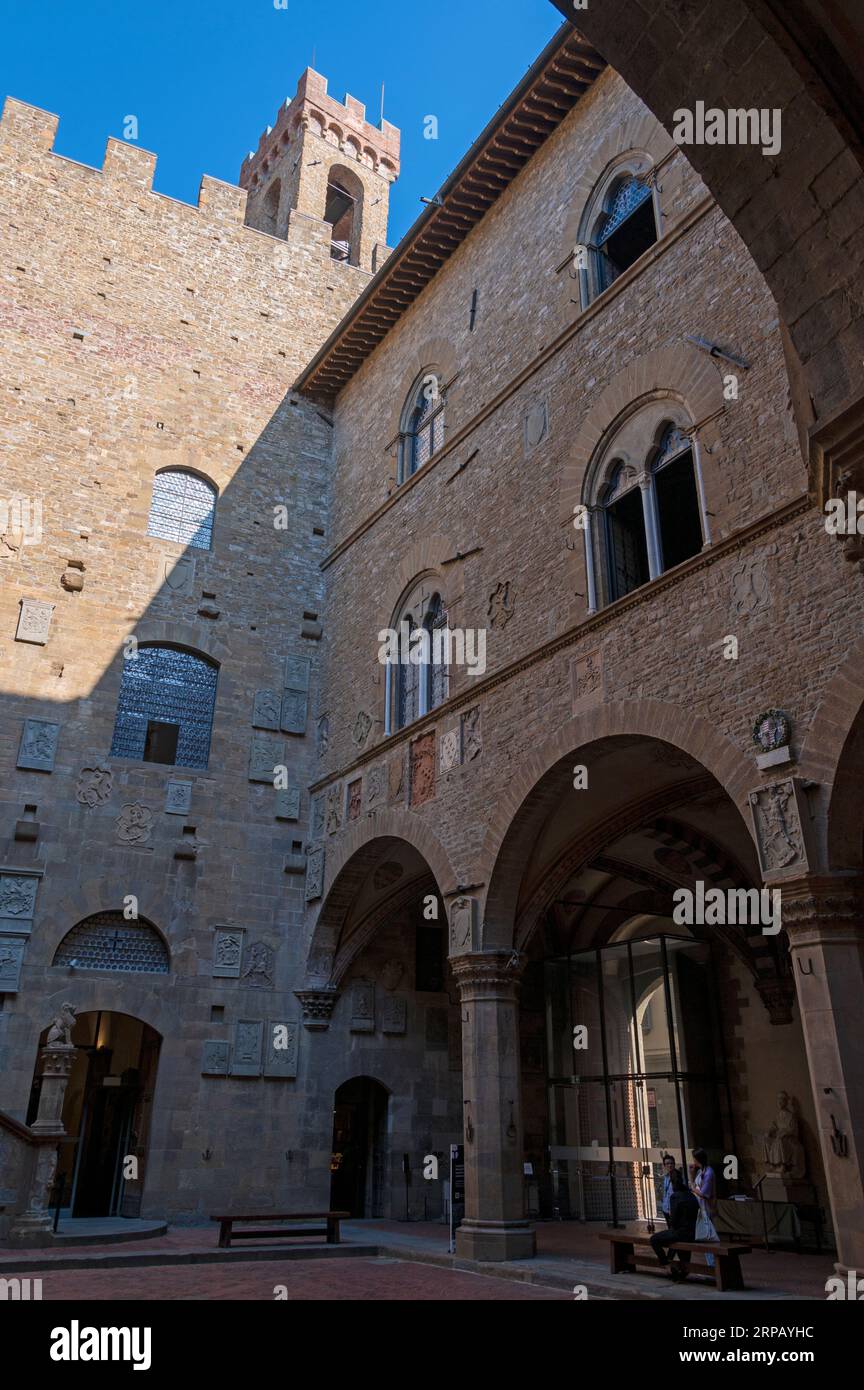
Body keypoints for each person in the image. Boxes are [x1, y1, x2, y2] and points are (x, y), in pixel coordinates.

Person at [650, 1170, 698, 1277]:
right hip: (694, 1232)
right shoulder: (691, 1195)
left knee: (654, 1239)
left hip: (682, 1232)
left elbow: (673, 1221)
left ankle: (666, 1265)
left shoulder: (675, 1196)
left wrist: (672, 1217)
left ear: (672, 1183)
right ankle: (684, 1269)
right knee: (676, 1241)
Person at [691, 1146, 719, 1267]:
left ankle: (713, 1265)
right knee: (704, 1236)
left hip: (706, 1208)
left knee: (709, 1236)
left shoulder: (708, 1173)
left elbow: (704, 1193)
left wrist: (692, 1188)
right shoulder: (700, 1172)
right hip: (700, 1208)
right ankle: (710, 1265)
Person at [659, 1153, 677, 1226]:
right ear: (664, 1165)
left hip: (673, 1209)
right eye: (667, 1163)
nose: (669, 1165)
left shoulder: (677, 1177)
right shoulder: (666, 1177)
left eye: (671, 1163)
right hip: (665, 1208)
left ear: (674, 1164)